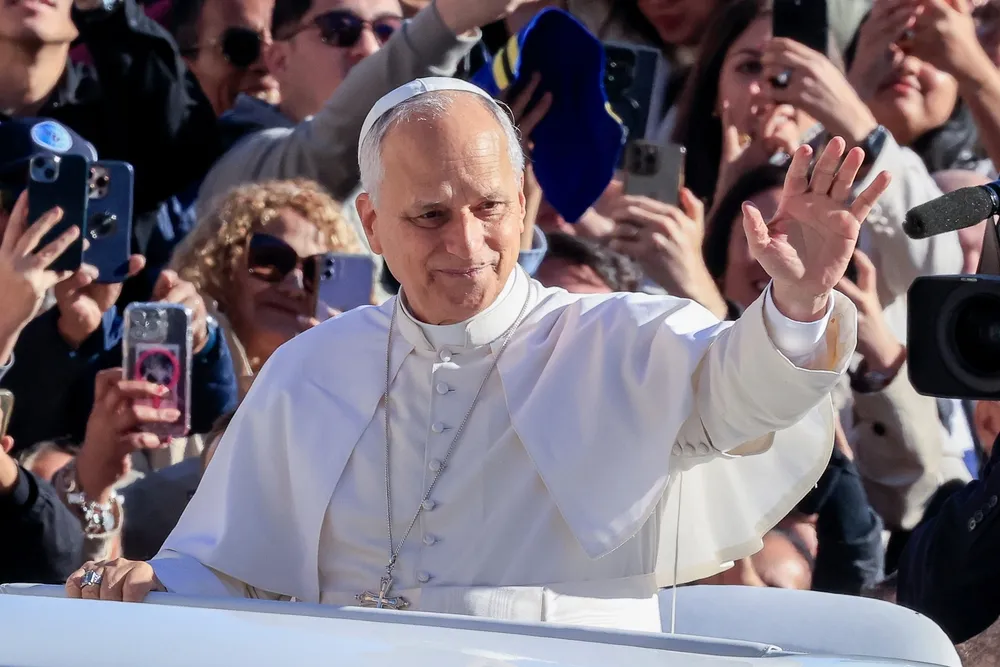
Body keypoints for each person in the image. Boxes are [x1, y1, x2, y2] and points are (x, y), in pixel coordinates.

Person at [68, 78, 889, 630]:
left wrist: (798, 301)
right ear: (374, 223)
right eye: (429, 215)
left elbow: (742, 394)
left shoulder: (614, 341)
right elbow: (238, 575)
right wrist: (156, 584)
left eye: (489, 206)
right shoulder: (309, 372)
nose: (467, 242)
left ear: (525, 202)